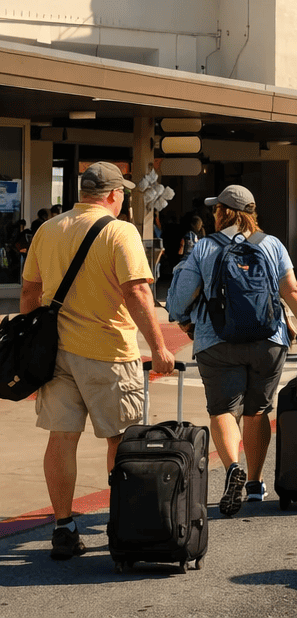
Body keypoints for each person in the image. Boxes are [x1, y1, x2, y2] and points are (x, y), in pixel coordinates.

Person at [20, 162, 176, 561]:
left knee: (61, 439)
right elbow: (138, 292)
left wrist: (27, 346)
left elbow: (29, 292)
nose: (122, 198)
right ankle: (123, 518)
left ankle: (63, 525)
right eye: (122, 192)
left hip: (55, 353)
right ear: (111, 196)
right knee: (121, 440)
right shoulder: (119, 231)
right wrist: (159, 348)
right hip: (109, 352)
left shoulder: (48, 228)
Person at [166, 185, 297, 516]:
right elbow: (291, 288)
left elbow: (179, 301)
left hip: (216, 340)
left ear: (221, 212)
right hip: (269, 339)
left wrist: (184, 319)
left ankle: (232, 468)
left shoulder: (206, 248)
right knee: (257, 410)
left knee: (222, 409)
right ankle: (254, 483)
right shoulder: (272, 245)